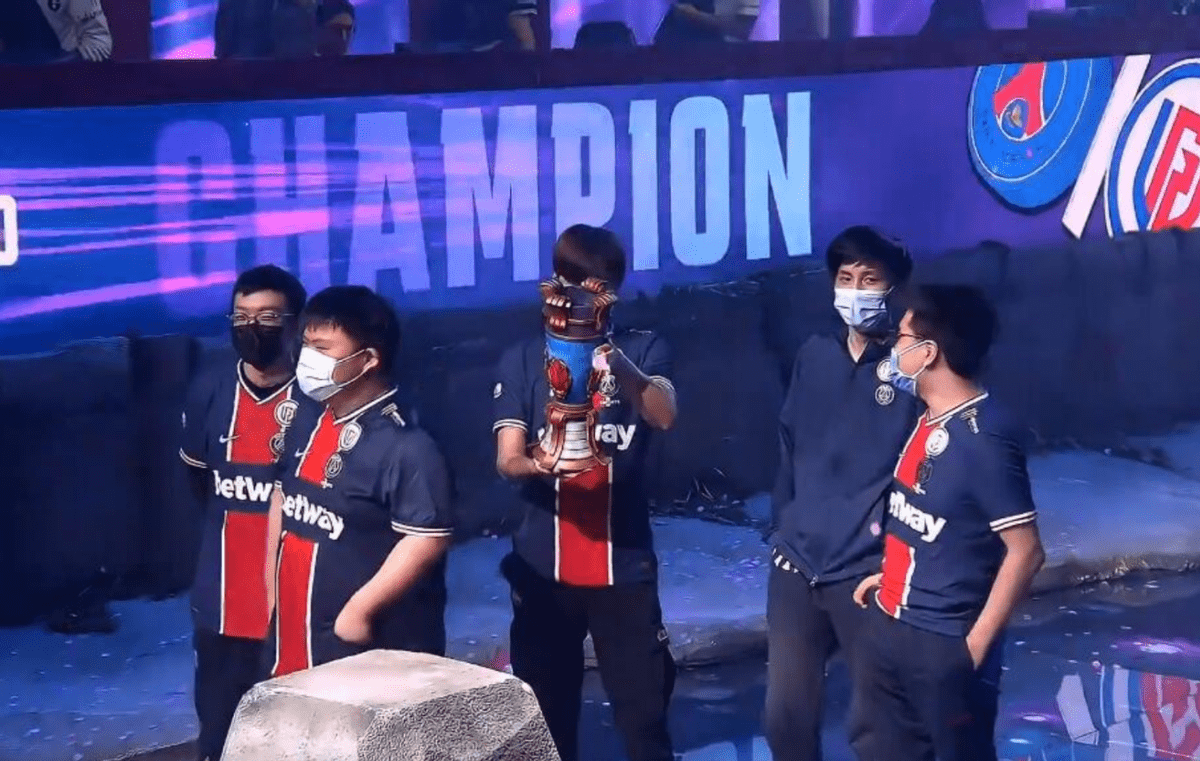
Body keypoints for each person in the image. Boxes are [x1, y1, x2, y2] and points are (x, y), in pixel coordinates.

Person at [493, 224, 677, 761]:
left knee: (645, 723)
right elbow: (507, 459)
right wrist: (538, 463)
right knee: (546, 731)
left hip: (624, 568)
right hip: (542, 572)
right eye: (570, 283)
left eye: (596, 288)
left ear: (613, 291)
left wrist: (613, 359)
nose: (579, 298)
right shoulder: (523, 359)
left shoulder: (644, 349)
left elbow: (663, 414)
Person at [852, 284, 1046, 761]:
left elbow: (1026, 551)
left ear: (928, 352)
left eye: (901, 338)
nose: (892, 349)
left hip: (944, 644)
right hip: (889, 624)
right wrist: (891, 577)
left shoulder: (986, 439)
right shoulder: (926, 419)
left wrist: (973, 648)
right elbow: (930, 518)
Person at [765, 226, 920, 761]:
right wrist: (783, 530)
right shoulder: (813, 354)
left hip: (866, 574)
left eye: (869, 279)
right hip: (796, 566)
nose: (855, 291)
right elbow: (788, 448)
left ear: (893, 286)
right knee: (785, 722)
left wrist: (894, 554)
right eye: (846, 278)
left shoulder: (910, 370)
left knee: (881, 729)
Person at [264, 285, 453, 678]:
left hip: (366, 650)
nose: (307, 359)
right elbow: (282, 498)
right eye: (305, 345)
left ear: (367, 359)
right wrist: (268, 588)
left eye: (322, 348)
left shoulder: (408, 444)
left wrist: (359, 612)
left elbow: (426, 538)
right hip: (293, 638)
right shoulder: (305, 420)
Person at [179, 264, 307, 761]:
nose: (253, 328)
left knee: (298, 741)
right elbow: (198, 483)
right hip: (223, 610)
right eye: (242, 316)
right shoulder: (209, 392)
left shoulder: (319, 400)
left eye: (268, 317)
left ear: (296, 323)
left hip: (299, 614)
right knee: (221, 740)